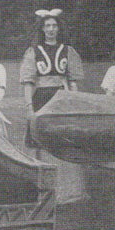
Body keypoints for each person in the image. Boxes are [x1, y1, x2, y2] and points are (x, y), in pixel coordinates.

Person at [19, 8, 84, 148]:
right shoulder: (34, 51)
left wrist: (75, 102)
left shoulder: (67, 50)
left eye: (54, 26)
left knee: (62, 138)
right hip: (41, 97)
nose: (51, 29)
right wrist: (29, 107)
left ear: (59, 28)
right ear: (42, 28)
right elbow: (28, 83)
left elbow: (72, 82)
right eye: (47, 26)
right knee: (39, 138)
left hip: (61, 97)